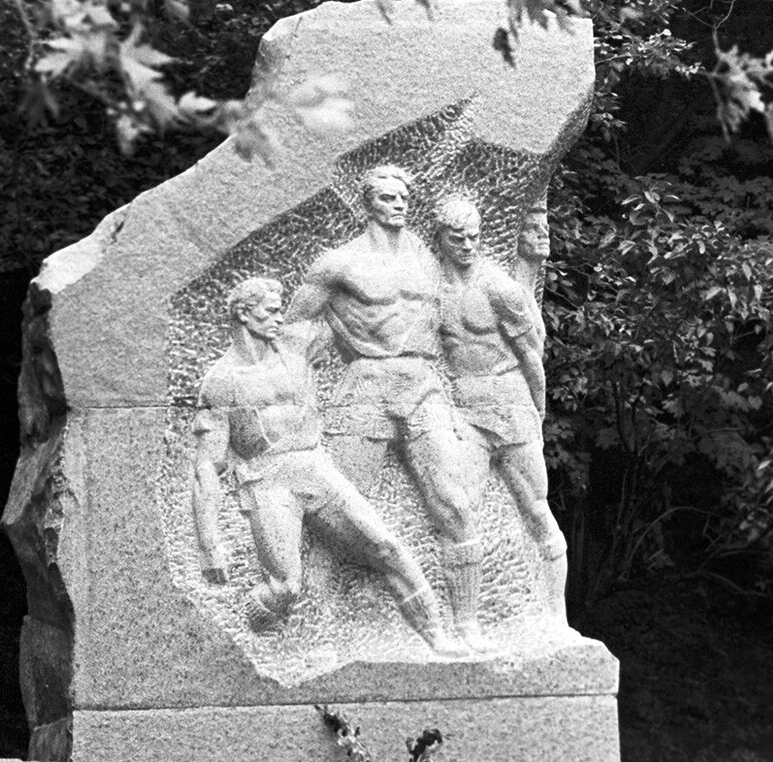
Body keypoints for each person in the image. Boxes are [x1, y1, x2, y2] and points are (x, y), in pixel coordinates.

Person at [191, 275, 461, 655]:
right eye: (270, 312)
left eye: (280, 310)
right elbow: (207, 468)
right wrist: (207, 544)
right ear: (243, 315)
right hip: (267, 481)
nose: (279, 319)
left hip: (315, 469)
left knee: (386, 546)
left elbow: (355, 315)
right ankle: (253, 644)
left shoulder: (297, 346)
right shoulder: (221, 382)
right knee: (285, 586)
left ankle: (436, 635)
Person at [285, 164, 488, 648]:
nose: (399, 205)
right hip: (366, 384)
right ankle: (312, 621)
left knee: (455, 503)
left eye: (403, 197)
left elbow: (469, 286)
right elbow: (294, 331)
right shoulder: (337, 264)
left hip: (421, 384)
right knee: (335, 514)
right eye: (388, 198)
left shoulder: (425, 255)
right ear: (367, 204)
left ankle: (468, 625)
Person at [434, 192, 569, 629]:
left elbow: (532, 354)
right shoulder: (431, 288)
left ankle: (556, 617)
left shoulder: (500, 288)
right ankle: (465, 625)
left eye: (474, 237)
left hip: (510, 407)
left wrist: (539, 411)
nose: (469, 246)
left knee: (535, 508)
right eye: (459, 239)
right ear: (441, 239)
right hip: (466, 415)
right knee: (457, 511)